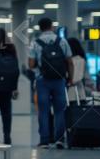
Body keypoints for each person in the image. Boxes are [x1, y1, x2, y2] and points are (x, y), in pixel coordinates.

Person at [28, 17, 74, 149]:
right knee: (60, 110)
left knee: (43, 111)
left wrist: (39, 69)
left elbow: (30, 64)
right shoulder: (62, 41)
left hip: (43, 80)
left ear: (40, 28)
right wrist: (70, 78)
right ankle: (59, 139)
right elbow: (70, 61)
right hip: (59, 80)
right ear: (52, 26)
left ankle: (44, 141)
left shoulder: (35, 43)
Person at [66, 37, 91, 102]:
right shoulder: (82, 60)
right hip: (80, 94)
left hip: (67, 94)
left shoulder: (66, 61)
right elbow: (87, 78)